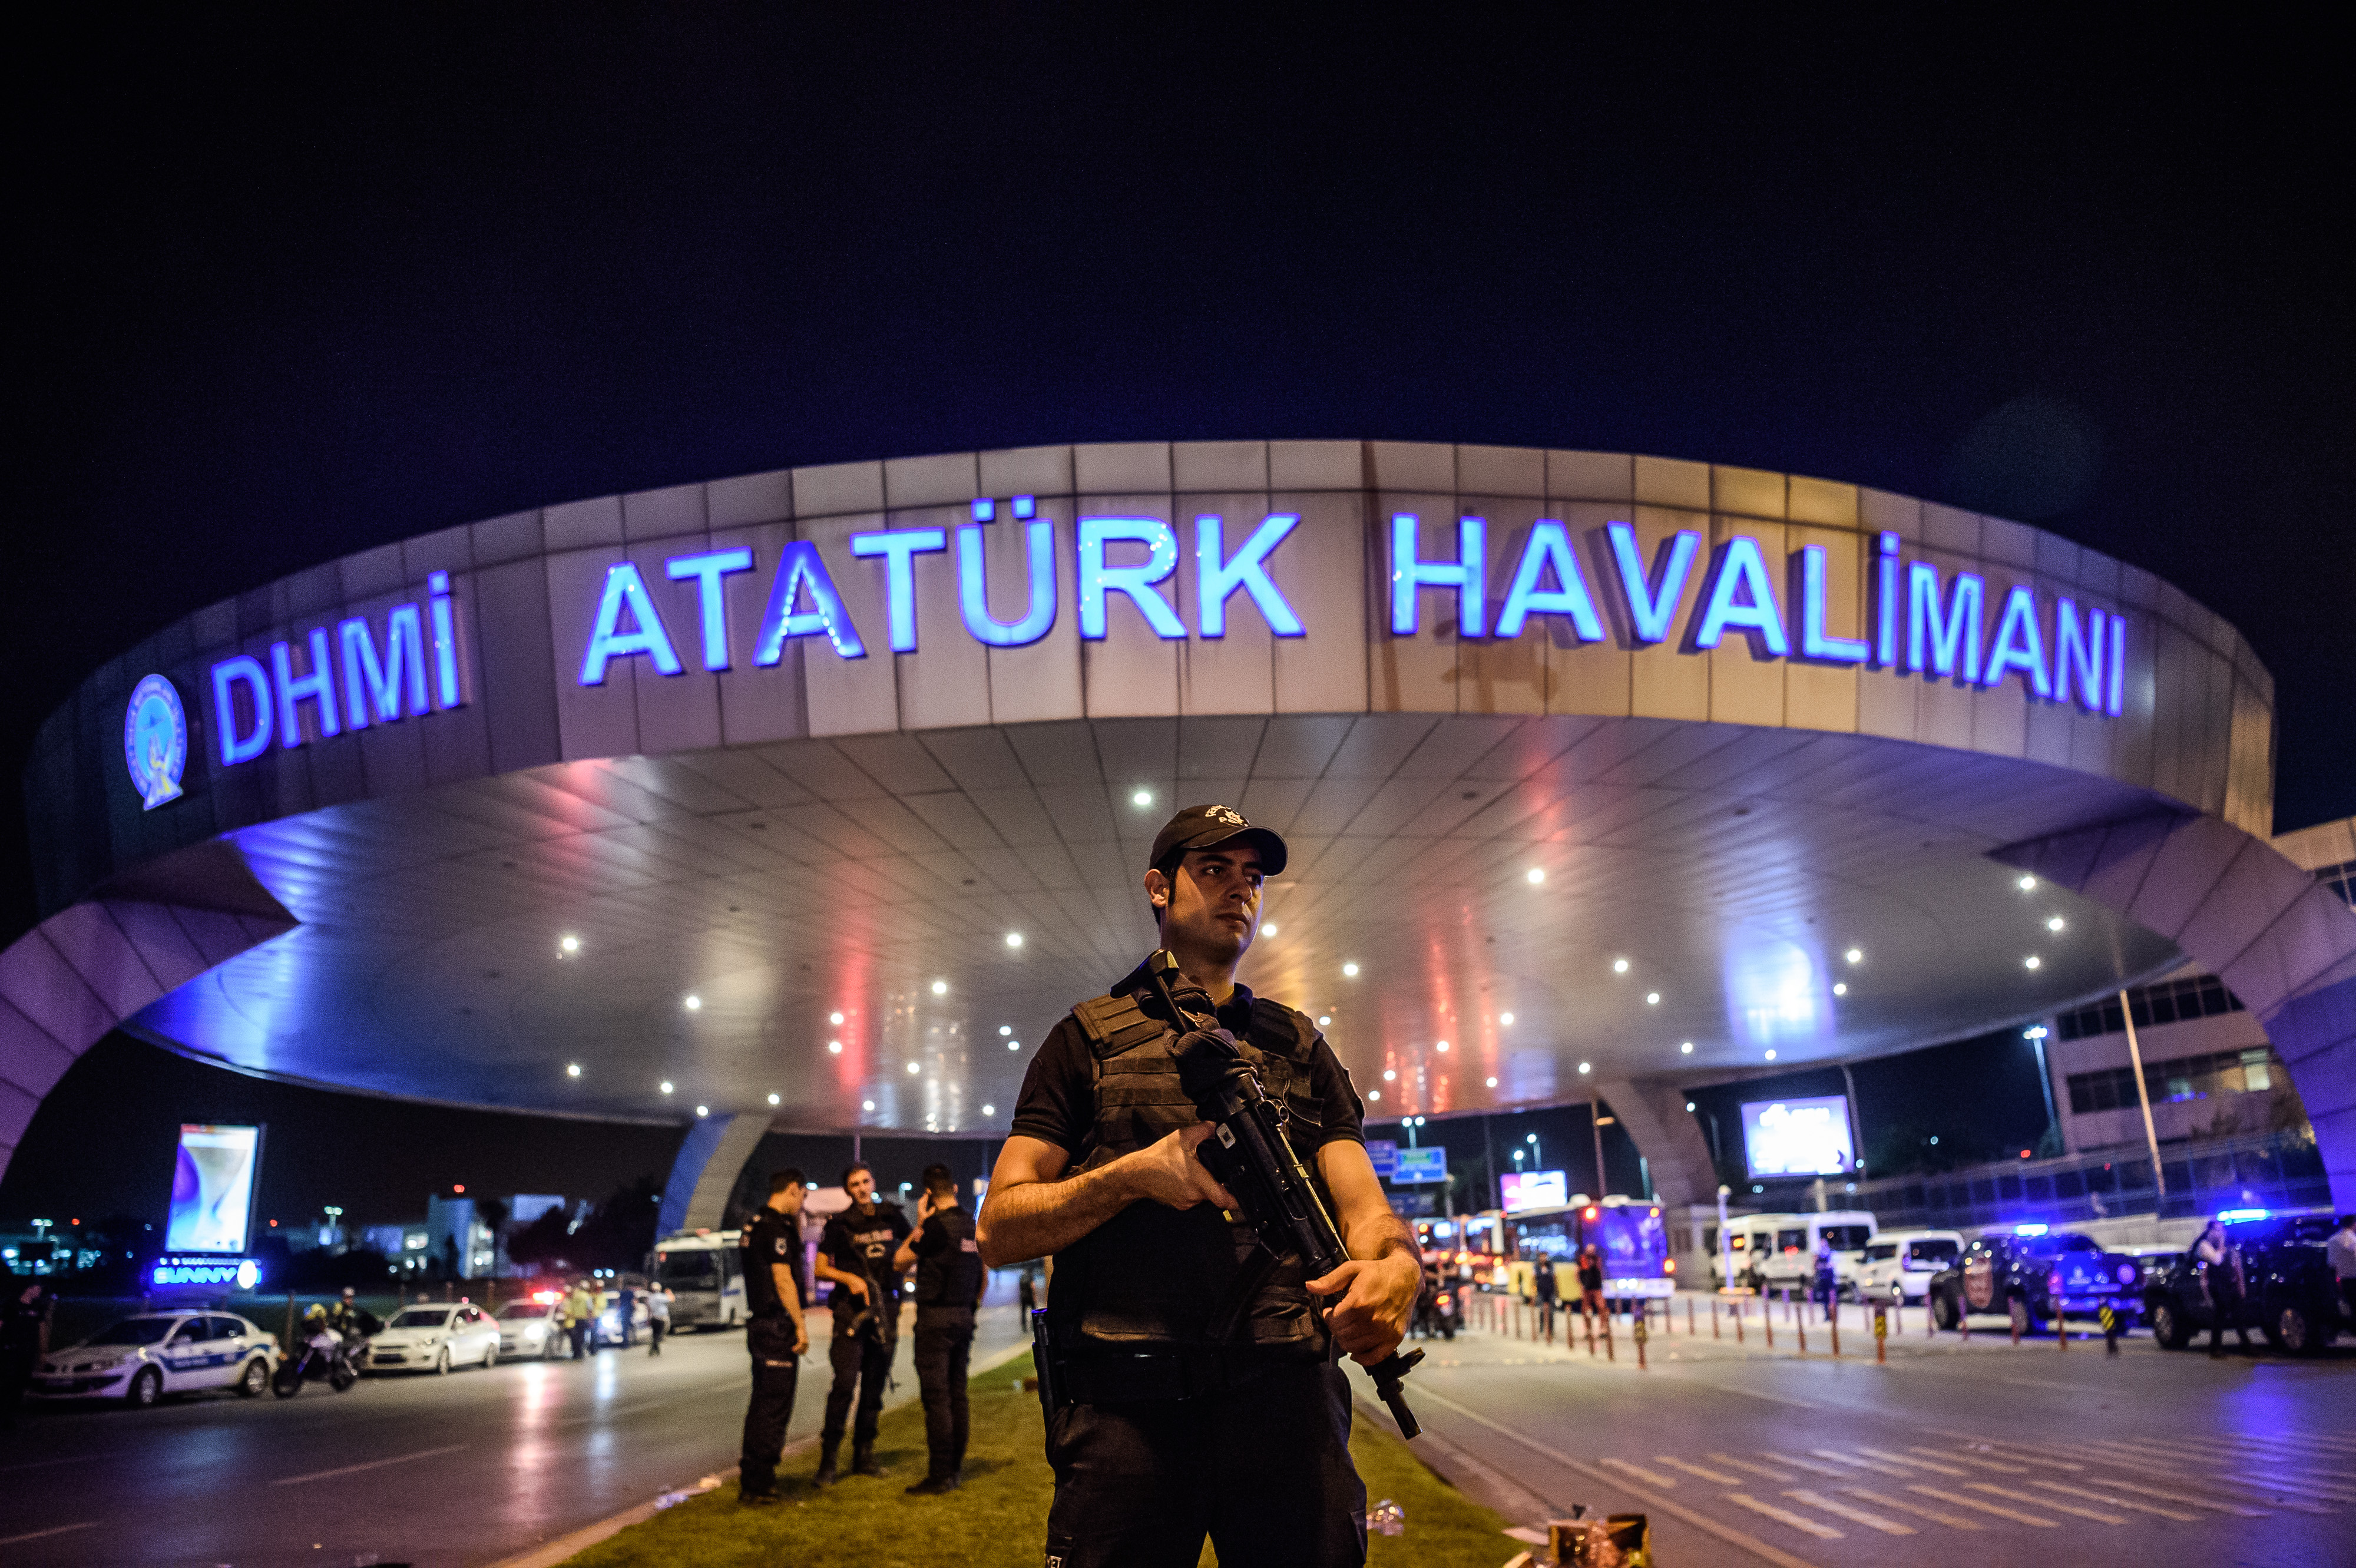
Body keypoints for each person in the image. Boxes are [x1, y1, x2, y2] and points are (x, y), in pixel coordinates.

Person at [978, 803, 1421, 1568]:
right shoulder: (1086, 1038)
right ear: (1158, 886)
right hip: (1127, 1412)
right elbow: (1001, 1228)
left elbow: (1367, 1211)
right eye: (1214, 870)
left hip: (1286, 1403)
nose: (1240, 890)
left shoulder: (1299, 1045)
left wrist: (1396, 1268)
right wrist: (1133, 1176)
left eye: (1252, 876)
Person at [812, 1162, 912, 1485]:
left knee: (874, 1387)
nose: (861, 1188)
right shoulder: (839, 1225)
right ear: (848, 1191)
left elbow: (913, 1244)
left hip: (886, 1309)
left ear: (873, 1182)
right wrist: (849, 1279)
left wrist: (905, 1260)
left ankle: (864, 1455)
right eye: (854, 1184)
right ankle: (828, 1462)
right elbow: (820, 1268)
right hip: (851, 1312)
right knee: (843, 1386)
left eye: (865, 1181)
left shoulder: (891, 1216)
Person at [895, 1162, 985, 1494]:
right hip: (964, 1315)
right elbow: (983, 1275)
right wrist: (971, 1308)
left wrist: (920, 1223)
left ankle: (941, 1475)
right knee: (957, 1395)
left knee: (937, 1400)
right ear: (956, 1189)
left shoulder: (934, 1227)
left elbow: (900, 1260)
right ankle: (956, 1469)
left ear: (928, 1194)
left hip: (935, 1321)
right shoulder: (971, 1225)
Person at [738, 1169, 812, 1506]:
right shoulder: (776, 1226)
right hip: (775, 1326)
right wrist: (800, 1324)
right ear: (793, 1190)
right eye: (803, 1197)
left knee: (762, 1404)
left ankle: (754, 1478)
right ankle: (759, 1484)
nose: (802, 1205)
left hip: (760, 1326)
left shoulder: (753, 1223)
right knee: (773, 1406)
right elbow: (783, 1279)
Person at [1, 1273, 54, 1431]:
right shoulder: (12, 1305)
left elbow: (42, 1329)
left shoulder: (38, 1307)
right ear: (29, 1288)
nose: (39, 1291)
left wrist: (43, 1352)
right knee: (6, 1383)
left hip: (28, 1352)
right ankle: (5, 1417)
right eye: (38, 1288)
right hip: (10, 1351)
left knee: (20, 1384)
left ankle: (9, 1416)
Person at [2193, 1219, 2249, 1357]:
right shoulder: (2204, 1245)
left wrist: (2240, 1286)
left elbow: (2236, 1265)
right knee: (2220, 1316)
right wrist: (2221, 1244)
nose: (2220, 1233)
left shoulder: (2228, 1246)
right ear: (2210, 1231)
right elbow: (2217, 1260)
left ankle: (2247, 1346)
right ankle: (2215, 1348)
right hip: (2216, 1286)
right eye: (2217, 1230)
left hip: (2230, 1284)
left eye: (2221, 1230)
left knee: (2239, 1315)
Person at [2328, 1215, 2356, 1324]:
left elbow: (2331, 1264)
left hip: (2343, 1280)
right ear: (2354, 1223)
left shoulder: (2332, 1240)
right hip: (2354, 1278)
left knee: (2352, 1306)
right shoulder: (2354, 1240)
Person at [1531, 1252, 1558, 1343]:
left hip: (1551, 1291)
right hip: (1541, 1291)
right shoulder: (1536, 1266)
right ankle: (1542, 1329)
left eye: (1545, 1257)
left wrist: (1558, 1292)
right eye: (1542, 1257)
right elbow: (1533, 1279)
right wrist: (1533, 1292)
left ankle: (1551, 1330)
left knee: (1551, 1312)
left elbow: (1555, 1278)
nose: (1544, 1258)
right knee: (1542, 1310)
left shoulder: (1551, 1266)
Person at [1577, 1243, 1606, 1328]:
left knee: (1601, 1307)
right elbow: (1577, 1273)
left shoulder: (1598, 1259)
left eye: (1592, 1250)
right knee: (1586, 1310)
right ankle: (1588, 1329)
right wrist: (1581, 1285)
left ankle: (1603, 1328)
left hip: (1597, 1287)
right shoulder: (1582, 1259)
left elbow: (1601, 1272)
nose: (1591, 1252)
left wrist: (1602, 1282)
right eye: (1589, 1250)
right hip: (1586, 1288)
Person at [566, 1278, 596, 1359]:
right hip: (584, 1319)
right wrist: (591, 1320)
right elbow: (589, 1309)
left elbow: (572, 1308)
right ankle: (580, 1353)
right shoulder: (587, 1297)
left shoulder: (575, 1296)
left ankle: (576, 1353)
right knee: (582, 1337)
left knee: (576, 1337)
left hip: (575, 1319)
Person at [1812, 1239, 1839, 1324]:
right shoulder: (1819, 1255)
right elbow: (1815, 1266)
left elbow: (1833, 1264)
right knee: (1825, 1299)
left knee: (1833, 1298)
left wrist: (1824, 1266)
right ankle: (1827, 1316)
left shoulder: (1832, 1253)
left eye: (1823, 1244)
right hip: (1823, 1280)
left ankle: (1834, 1315)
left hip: (1831, 1279)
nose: (1822, 1246)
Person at [647, 1282, 671, 1355]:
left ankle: (655, 1349)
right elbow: (671, 1299)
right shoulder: (660, 1297)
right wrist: (669, 1292)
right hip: (661, 1318)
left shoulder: (651, 1297)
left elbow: (649, 1308)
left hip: (654, 1317)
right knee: (660, 1334)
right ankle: (655, 1348)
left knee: (655, 1334)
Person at [615, 1281, 637, 1348]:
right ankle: (629, 1342)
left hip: (624, 1312)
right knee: (628, 1326)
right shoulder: (630, 1293)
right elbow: (634, 1301)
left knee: (625, 1327)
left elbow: (618, 1302)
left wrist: (618, 1310)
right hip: (629, 1311)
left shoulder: (622, 1293)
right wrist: (635, 1309)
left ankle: (626, 1343)